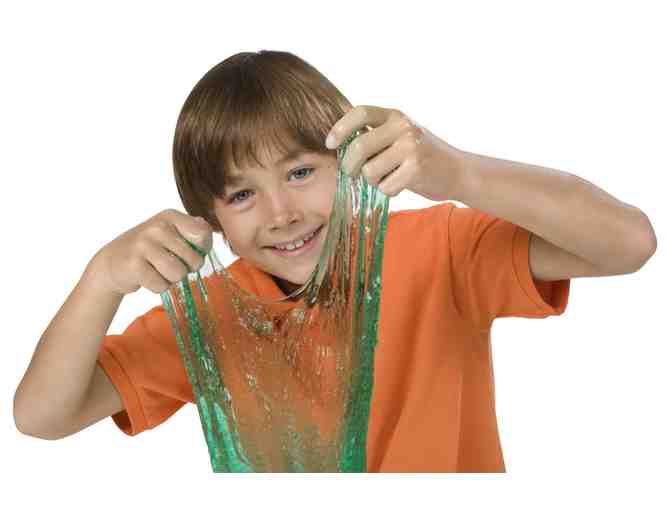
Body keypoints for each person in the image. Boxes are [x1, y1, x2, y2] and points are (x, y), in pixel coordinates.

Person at [13, 50, 657, 472]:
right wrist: (101, 280)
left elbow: (629, 243)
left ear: (350, 161)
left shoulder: (439, 251)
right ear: (210, 220)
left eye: (300, 172)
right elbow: (42, 416)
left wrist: (458, 172)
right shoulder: (212, 315)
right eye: (242, 195)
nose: (281, 213)